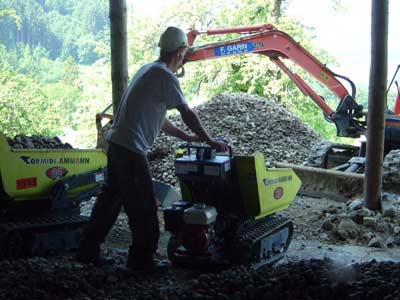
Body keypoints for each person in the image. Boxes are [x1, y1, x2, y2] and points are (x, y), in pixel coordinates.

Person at [77, 26, 229, 272]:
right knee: (145, 206)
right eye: (184, 53)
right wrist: (209, 140)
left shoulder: (148, 70)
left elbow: (158, 116)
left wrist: (186, 137)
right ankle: (141, 261)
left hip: (116, 145)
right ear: (180, 52)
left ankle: (87, 249)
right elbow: (187, 112)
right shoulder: (165, 76)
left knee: (110, 200)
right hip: (130, 149)